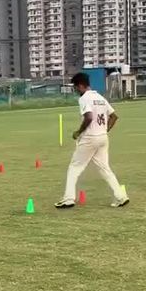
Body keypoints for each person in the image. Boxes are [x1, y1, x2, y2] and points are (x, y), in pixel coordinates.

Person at [55, 72, 129, 209]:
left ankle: (68, 199)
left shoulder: (84, 98)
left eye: (76, 87)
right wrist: (104, 130)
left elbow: (88, 117)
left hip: (90, 138)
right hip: (102, 138)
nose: (76, 90)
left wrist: (78, 132)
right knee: (104, 168)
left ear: (81, 85)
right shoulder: (100, 97)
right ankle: (121, 197)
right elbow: (114, 117)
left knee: (74, 167)